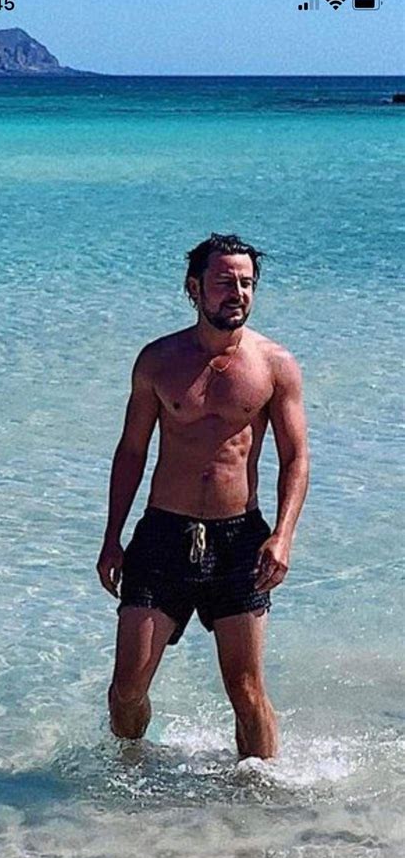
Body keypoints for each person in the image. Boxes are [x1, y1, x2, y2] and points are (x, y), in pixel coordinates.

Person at [97, 233, 309, 760]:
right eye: (224, 282)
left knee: (246, 692)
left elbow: (295, 458)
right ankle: (129, 773)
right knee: (127, 689)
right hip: (163, 534)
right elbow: (131, 452)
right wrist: (111, 538)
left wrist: (283, 536)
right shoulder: (158, 361)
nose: (237, 293)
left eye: (246, 283)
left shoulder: (274, 365)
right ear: (194, 288)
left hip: (239, 541)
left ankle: (262, 794)